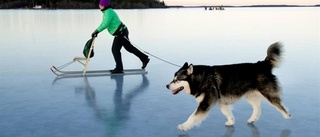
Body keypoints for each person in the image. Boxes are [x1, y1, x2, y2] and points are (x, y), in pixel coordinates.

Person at [92, 0, 150, 74]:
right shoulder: (107, 12)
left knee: (115, 49)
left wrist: (96, 31)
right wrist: (97, 32)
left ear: (104, 6)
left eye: (100, 4)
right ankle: (144, 58)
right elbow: (105, 23)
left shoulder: (108, 12)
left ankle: (119, 68)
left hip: (121, 33)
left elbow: (105, 24)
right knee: (129, 47)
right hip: (121, 31)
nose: (99, 6)